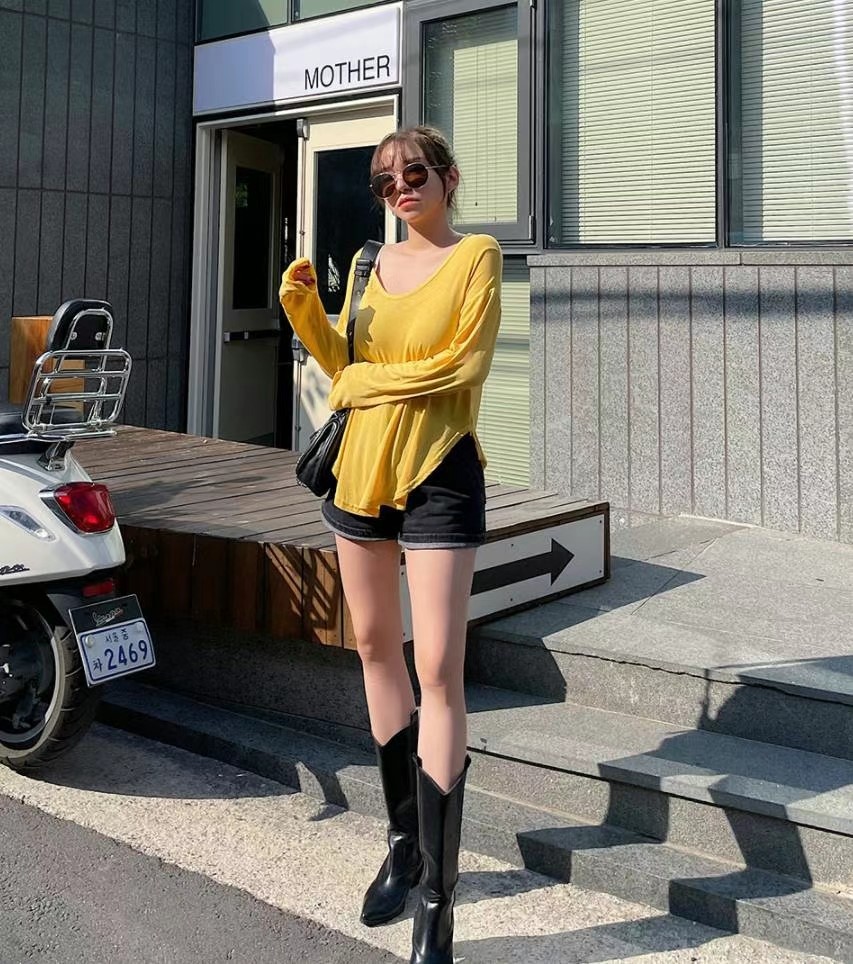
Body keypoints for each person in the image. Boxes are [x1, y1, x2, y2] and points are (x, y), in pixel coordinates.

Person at [279, 125, 502, 964]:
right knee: (375, 647)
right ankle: (404, 846)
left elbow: (461, 367)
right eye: (384, 180)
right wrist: (305, 312)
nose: (399, 188)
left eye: (414, 173)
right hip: (361, 470)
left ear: (447, 177)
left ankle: (439, 904)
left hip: (441, 469)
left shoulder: (476, 256)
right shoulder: (370, 262)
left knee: (437, 668)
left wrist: (362, 380)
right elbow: (342, 364)